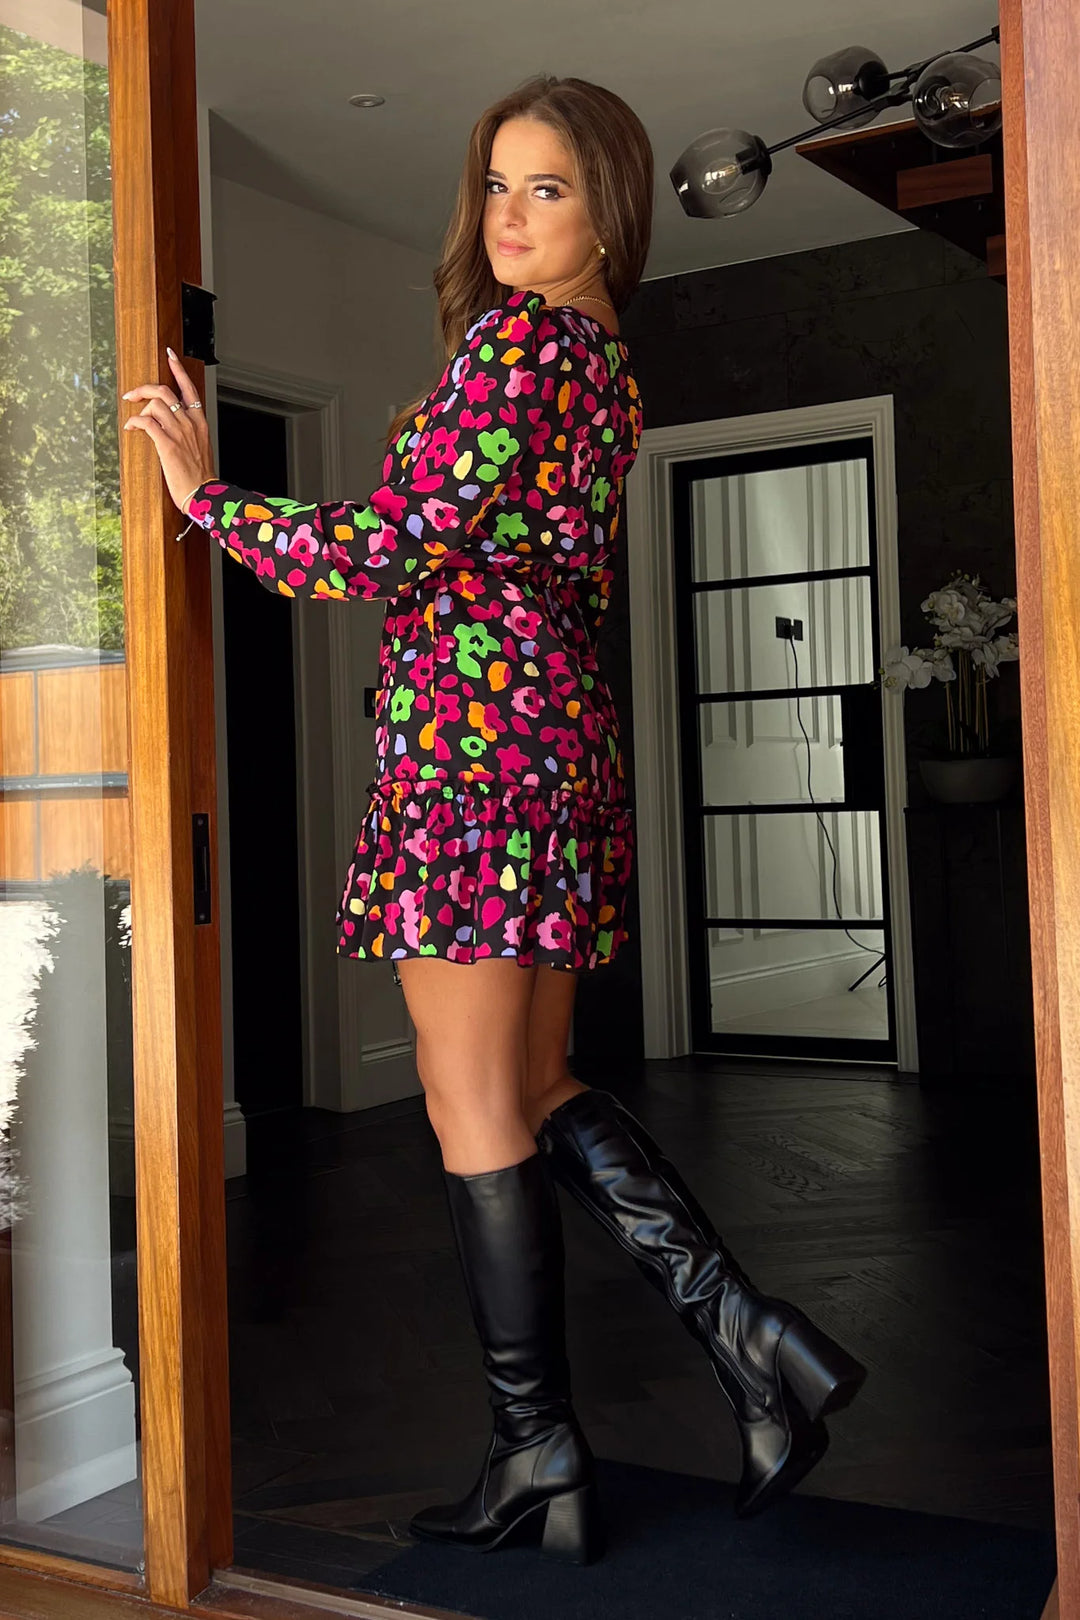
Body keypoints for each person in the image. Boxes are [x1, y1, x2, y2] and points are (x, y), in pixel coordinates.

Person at [122, 73, 866, 1567]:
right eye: (499, 184)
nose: (511, 215)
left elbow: (392, 546)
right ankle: (744, 1342)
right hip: (550, 745)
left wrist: (207, 498)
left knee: (470, 1105)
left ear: (611, 213)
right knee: (529, 1080)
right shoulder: (604, 363)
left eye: (551, 189)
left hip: (476, 753)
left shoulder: (522, 346)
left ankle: (546, 1442)